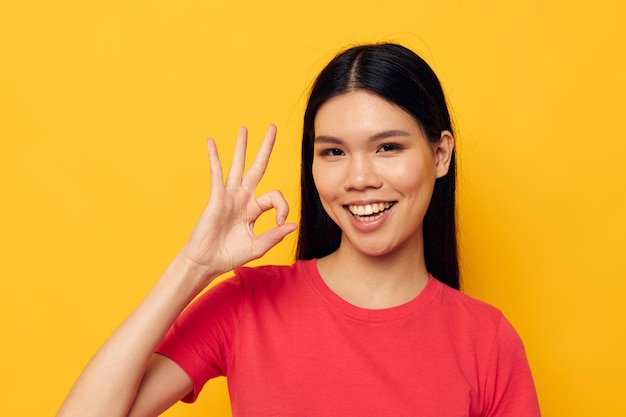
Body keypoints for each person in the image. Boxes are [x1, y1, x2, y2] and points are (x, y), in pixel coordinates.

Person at [56, 43, 541, 417]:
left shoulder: (487, 341)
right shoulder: (248, 305)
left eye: (387, 147)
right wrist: (194, 266)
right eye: (333, 152)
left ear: (440, 154)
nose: (358, 178)